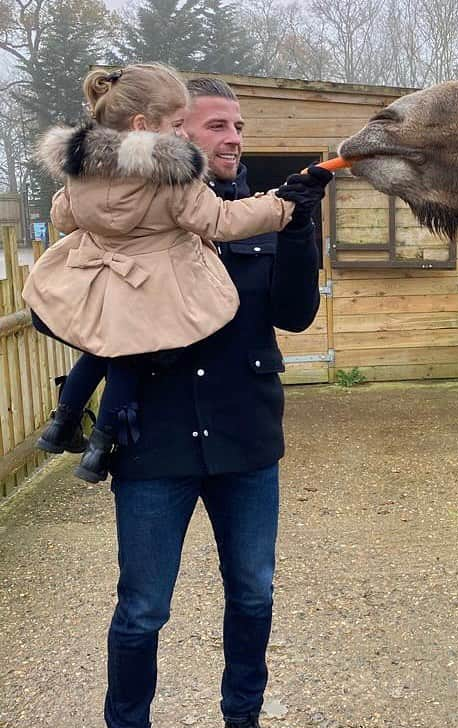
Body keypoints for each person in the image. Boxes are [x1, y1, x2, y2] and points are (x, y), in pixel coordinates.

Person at [102, 76, 332, 728]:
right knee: (142, 611)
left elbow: (294, 315)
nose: (234, 138)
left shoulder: (258, 215)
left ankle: (243, 726)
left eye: (239, 127)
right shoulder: (133, 217)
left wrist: (301, 224)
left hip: (246, 436)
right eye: (216, 126)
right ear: (173, 134)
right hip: (155, 440)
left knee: (253, 594)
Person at [23, 63, 299, 484]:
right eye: (177, 124)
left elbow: (64, 216)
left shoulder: (82, 170)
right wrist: (282, 206)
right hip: (148, 288)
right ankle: (99, 446)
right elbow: (221, 221)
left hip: (99, 284)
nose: (183, 134)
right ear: (143, 124)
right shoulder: (171, 178)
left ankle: (61, 423)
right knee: (128, 361)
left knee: (98, 353)